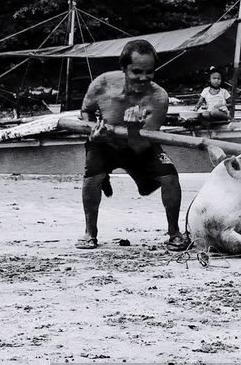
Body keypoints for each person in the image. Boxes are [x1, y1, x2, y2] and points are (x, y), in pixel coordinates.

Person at [76, 39, 188, 251]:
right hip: (104, 141)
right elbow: (85, 111)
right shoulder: (102, 83)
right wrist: (92, 129)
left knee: (170, 176)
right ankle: (90, 232)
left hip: (141, 143)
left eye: (149, 72)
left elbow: (141, 146)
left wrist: (134, 129)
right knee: (92, 176)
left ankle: (174, 233)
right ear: (124, 68)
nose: (144, 78)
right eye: (137, 72)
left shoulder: (159, 97)